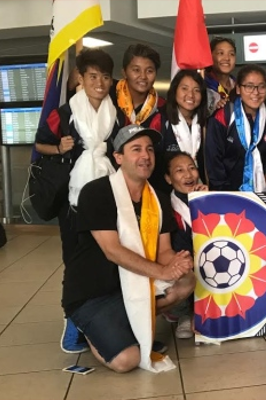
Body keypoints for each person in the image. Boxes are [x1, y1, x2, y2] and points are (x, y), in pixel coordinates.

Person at [65, 125, 195, 373]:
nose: (145, 156)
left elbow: (164, 250)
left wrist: (176, 264)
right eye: (136, 149)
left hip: (134, 284)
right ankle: (87, 326)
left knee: (187, 281)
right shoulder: (97, 192)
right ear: (118, 157)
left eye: (149, 149)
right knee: (127, 361)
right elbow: (112, 250)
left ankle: (128, 325)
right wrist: (162, 272)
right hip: (95, 291)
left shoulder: (156, 197)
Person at [33, 48, 120, 354]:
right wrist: (58, 148)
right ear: (81, 78)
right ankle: (73, 321)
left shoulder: (116, 114)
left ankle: (107, 321)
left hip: (109, 197)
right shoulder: (65, 113)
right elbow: (39, 143)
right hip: (72, 203)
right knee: (76, 262)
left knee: (110, 259)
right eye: (93, 76)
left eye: (105, 77)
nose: (100, 82)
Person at [205, 65, 266, 191]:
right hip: (228, 192)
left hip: (265, 193)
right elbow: (213, 159)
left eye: (261, 86)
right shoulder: (223, 116)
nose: (256, 92)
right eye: (249, 86)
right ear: (238, 89)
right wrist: (222, 192)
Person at [164, 151, 208, 338]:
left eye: (191, 168)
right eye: (179, 170)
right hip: (181, 262)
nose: (188, 175)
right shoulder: (164, 207)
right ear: (168, 179)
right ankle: (183, 313)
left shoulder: (208, 197)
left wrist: (210, 202)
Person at [112, 44, 167, 191]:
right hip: (111, 184)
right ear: (124, 72)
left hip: (152, 186)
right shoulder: (109, 100)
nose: (143, 76)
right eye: (136, 70)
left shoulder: (164, 108)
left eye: (149, 71)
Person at [161, 69, 208, 185]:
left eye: (196, 90)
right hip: (165, 191)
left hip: (200, 189)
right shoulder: (160, 120)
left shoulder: (207, 124)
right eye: (184, 88)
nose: (191, 95)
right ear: (175, 90)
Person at [204, 37, 237, 116]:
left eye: (231, 54)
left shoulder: (239, 86)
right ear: (210, 56)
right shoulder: (202, 85)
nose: (227, 58)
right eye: (220, 53)